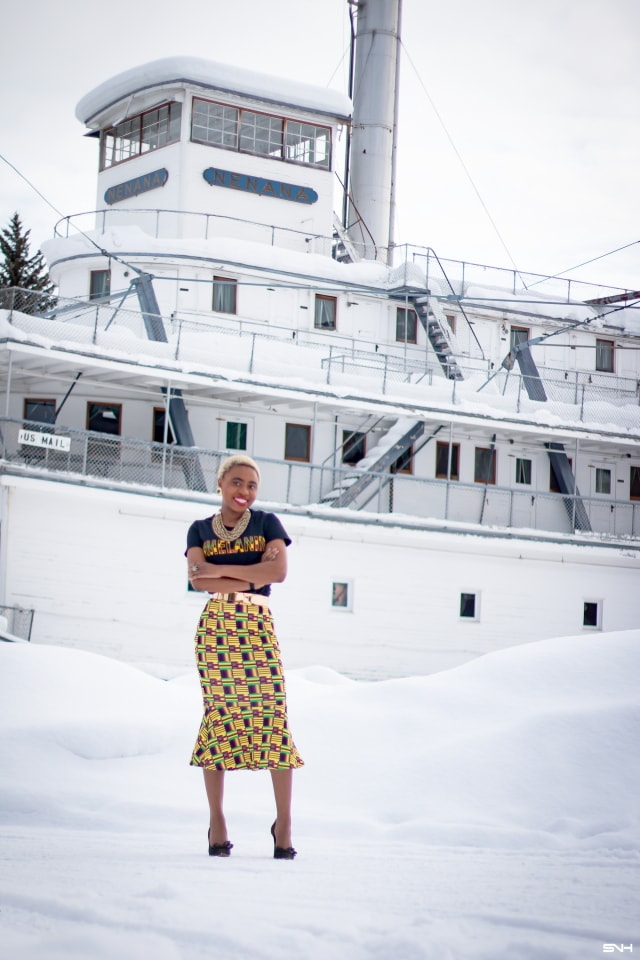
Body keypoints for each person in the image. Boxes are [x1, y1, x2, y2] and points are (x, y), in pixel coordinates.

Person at [186, 454, 303, 860]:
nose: (245, 492)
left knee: (272, 715)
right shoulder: (199, 529)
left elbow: (278, 575)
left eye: (252, 486)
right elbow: (197, 580)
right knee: (219, 716)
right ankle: (217, 821)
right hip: (216, 629)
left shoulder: (268, 523)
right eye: (237, 483)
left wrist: (219, 572)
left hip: (257, 625)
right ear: (221, 483)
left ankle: (283, 823)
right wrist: (253, 568)